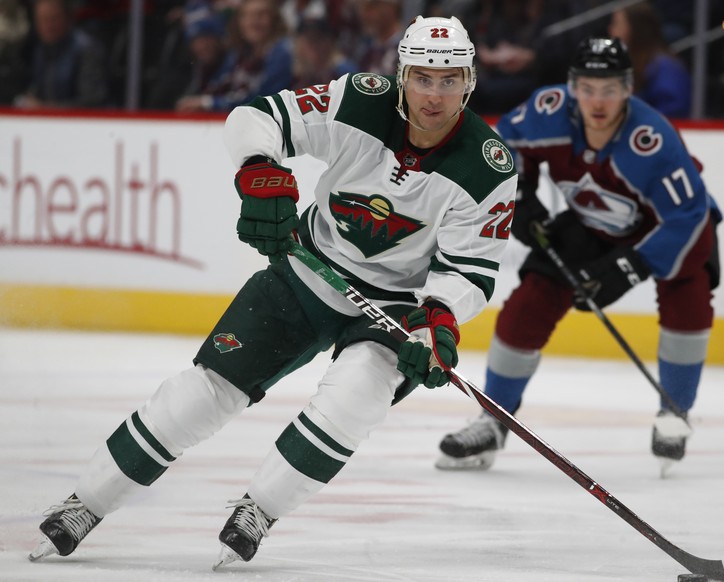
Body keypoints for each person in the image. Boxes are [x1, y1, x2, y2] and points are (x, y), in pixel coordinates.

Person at [28, 14, 517, 569]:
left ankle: (259, 509)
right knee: (204, 393)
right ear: (401, 74)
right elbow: (256, 117)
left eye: (449, 79)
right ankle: (85, 503)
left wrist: (439, 321)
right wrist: (259, 169)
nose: (434, 94)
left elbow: (469, 270)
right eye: (423, 77)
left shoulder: (487, 166)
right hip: (306, 270)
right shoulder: (358, 100)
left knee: (354, 400)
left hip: (393, 309)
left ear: (469, 81)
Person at [436, 38, 721, 475]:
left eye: (609, 89)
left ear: (628, 89)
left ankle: (674, 412)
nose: (598, 101)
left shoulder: (652, 140)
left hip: (671, 231)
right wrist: (520, 195)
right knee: (528, 304)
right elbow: (499, 145)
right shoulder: (548, 112)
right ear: (572, 88)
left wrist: (630, 266)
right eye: (588, 88)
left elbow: (688, 215)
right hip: (591, 223)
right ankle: (493, 420)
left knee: (689, 299)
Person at [176, 0, 293, 112]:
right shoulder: (240, 53)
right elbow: (218, 87)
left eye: (261, 14)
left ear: (276, 19)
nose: (253, 21)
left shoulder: (283, 51)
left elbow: (266, 100)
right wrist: (203, 101)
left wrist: (209, 103)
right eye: (246, 15)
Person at [13, 0, 110, 109]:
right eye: (41, 20)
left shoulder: (87, 50)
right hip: (49, 121)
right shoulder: (40, 48)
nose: (47, 26)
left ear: (68, 18)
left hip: (80, 123)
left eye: (53, 19)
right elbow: (38, 91)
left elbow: (93, 101)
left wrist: (47, 109)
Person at [608, 1, 691, 119]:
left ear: (634, 28)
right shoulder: (631, 63)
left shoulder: (665, 67)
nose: (611, 30)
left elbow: (672, 113)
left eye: (616, 24)